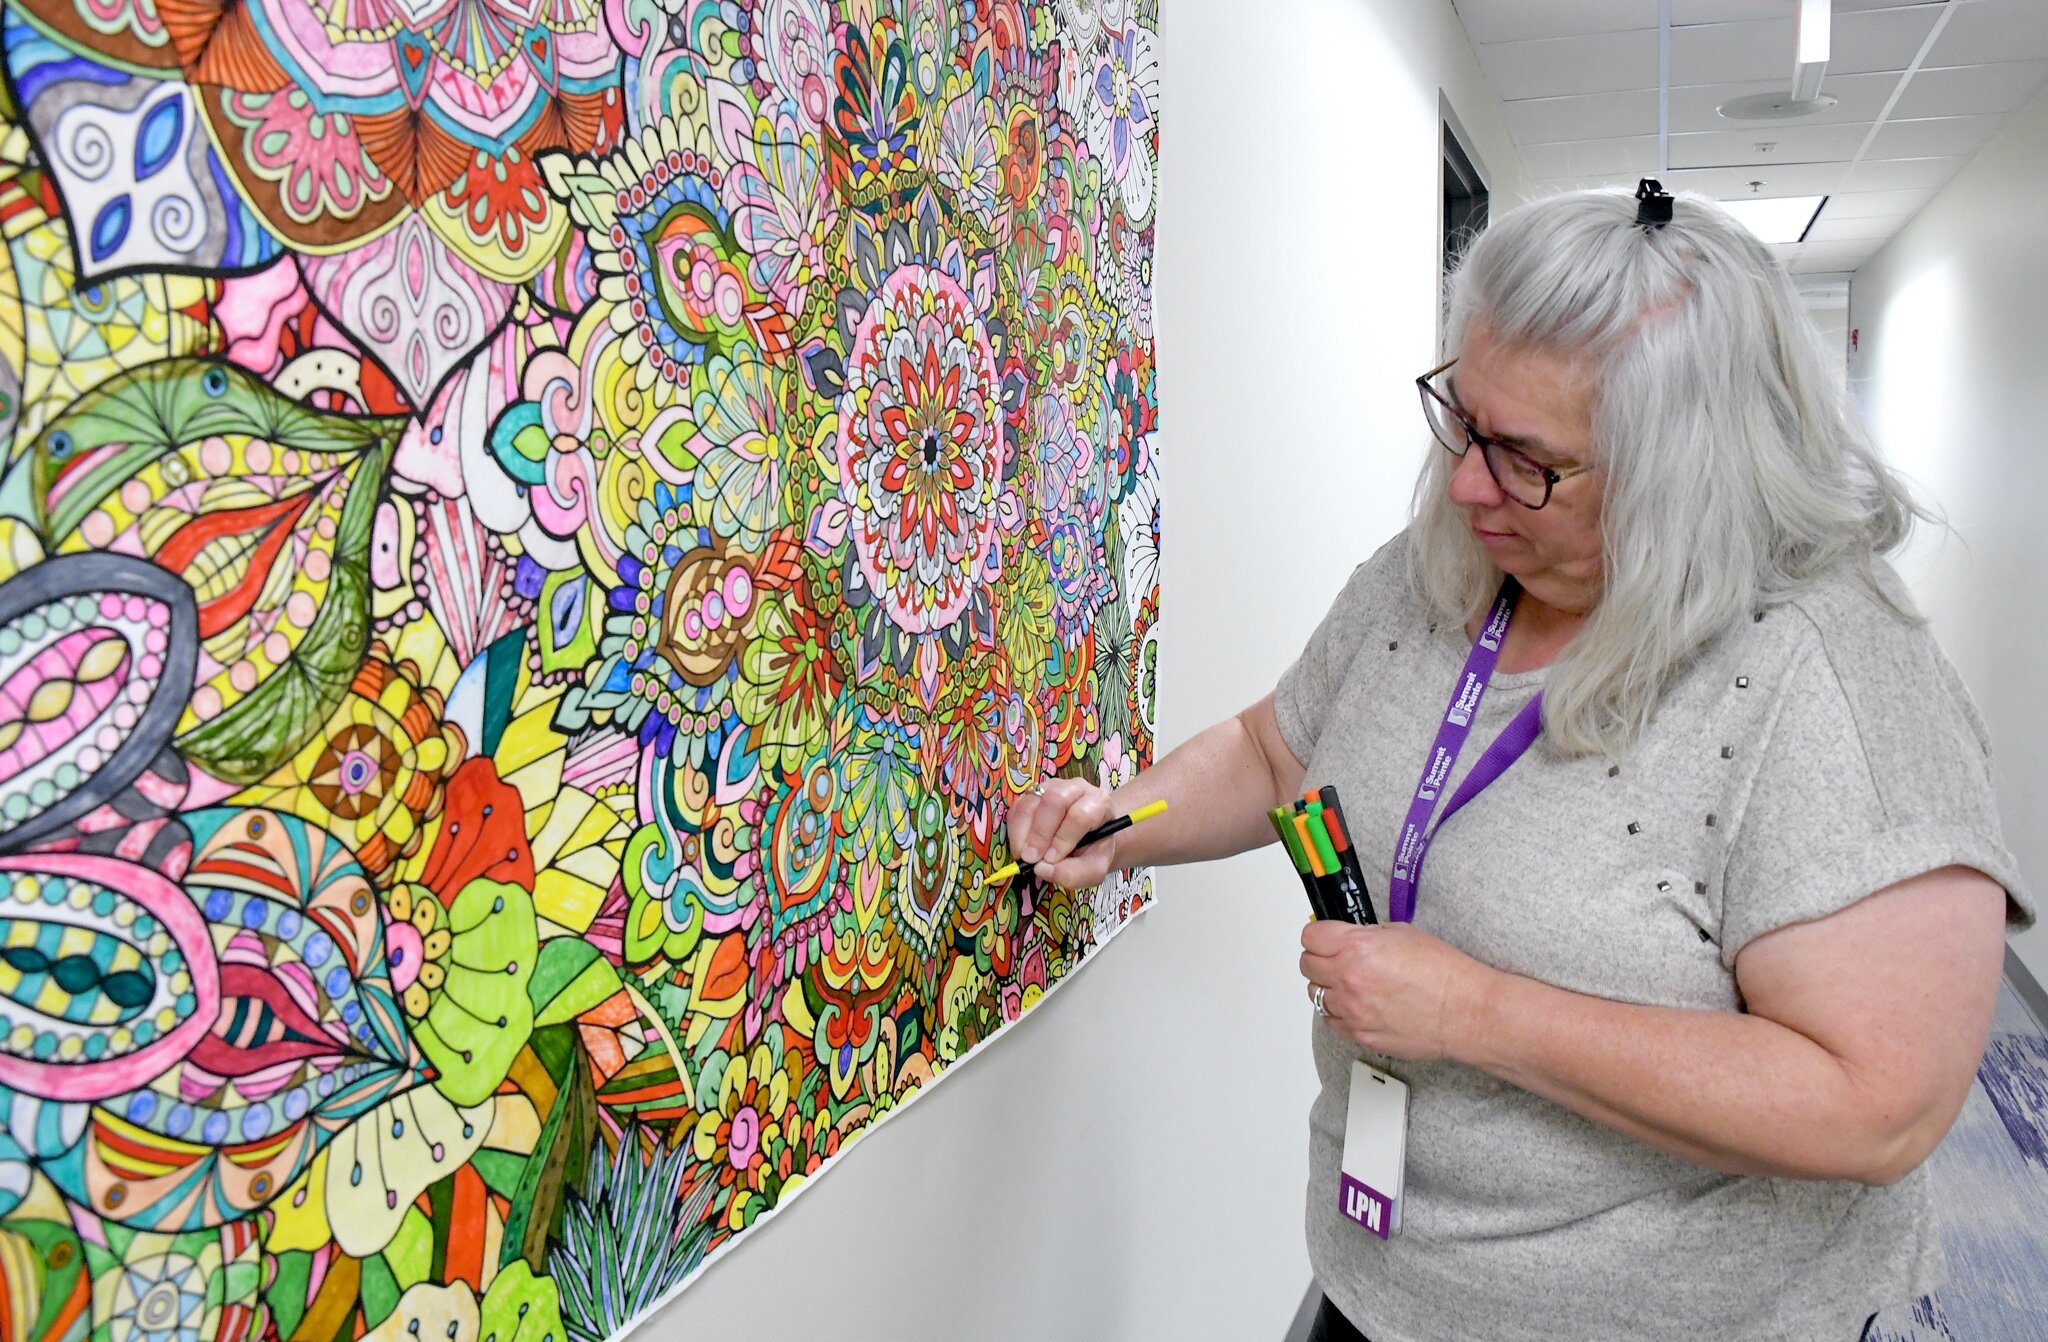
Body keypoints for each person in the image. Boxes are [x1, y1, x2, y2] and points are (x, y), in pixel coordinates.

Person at [1004, 184, 2034, 1341]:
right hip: (1381, 1281)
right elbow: (1268, 747)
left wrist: (1472, 1013)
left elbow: (1875, 1107)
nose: (1463, 483)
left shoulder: (1831, 676)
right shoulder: (1436, 567)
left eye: (1525, 458)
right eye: (1461, 418)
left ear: (1684, 471)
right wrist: (1118, 821)